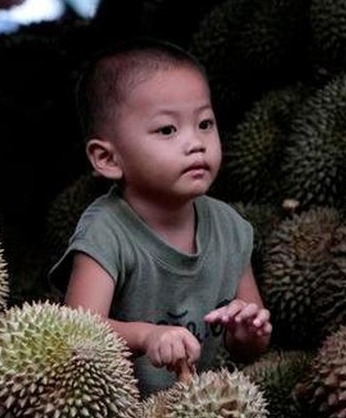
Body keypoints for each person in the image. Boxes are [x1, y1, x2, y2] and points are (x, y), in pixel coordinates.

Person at [50, 38, 272, 396]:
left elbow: (248, 343)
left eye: (205, 123)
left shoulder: (230, 227)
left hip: (200, 413)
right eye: (168, 130)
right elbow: (75, 330)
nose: (196, 142)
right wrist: (145, 336)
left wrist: (248, 333)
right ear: (108, 159)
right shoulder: (106, 232)